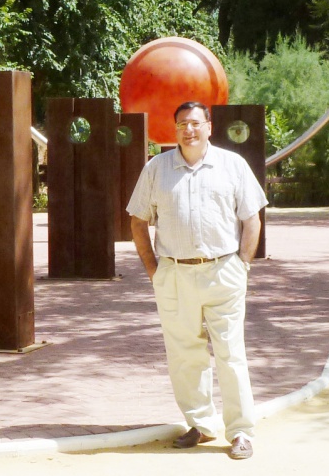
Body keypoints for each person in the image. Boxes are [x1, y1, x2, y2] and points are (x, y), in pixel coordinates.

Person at [126, 100, 268, 460]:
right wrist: (153, 270)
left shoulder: (232, 165)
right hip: (174, 274)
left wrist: (243, 266)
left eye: (194, 123)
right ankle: (202, 425)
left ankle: (240, 433)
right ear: (175, 129)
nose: (188, 130)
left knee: (230, 353)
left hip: (223, 272)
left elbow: (252, 219)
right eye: (181, 124)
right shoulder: (157, 169)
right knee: (184, 355)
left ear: (209, 126)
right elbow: (138, 220)